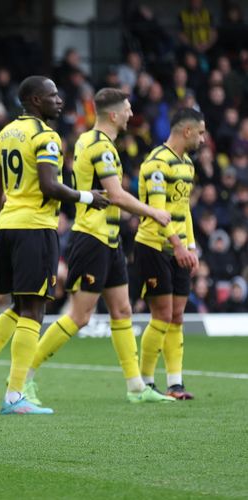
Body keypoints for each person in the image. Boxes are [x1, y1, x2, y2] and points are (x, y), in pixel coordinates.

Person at [0, 76, 110, 415]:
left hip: (9, 226)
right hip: (35, 229)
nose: (59, 101)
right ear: (36, 101)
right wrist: (88, 196)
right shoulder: (46, 137)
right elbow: (49, 185)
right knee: (34, 311)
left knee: (16, 307)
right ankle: (14, 397)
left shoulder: (4, 135)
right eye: (53, 96)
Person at [22, 88, 176, 405]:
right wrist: (154, 212)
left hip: (109, 238)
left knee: (122, 310)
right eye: (129, 109)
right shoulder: (99, 146)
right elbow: (116, 195)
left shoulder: (95, 143)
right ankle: (21, 379)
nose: (133, 115)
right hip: (91, 237)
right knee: (80, 316)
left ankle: (136, 387)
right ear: (114, 114)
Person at [134, 108, 203, 400]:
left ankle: (175, 384)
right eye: (200, 132)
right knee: (161, 314)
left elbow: (183, 209)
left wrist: (191, 246)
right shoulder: (157, 163)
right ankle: (146, 383)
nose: (203, 138)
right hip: (153, 246)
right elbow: (160, 213)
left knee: (177, 316)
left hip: (178, 249)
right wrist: (177, 244)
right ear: (186, 131)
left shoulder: (186, 164)